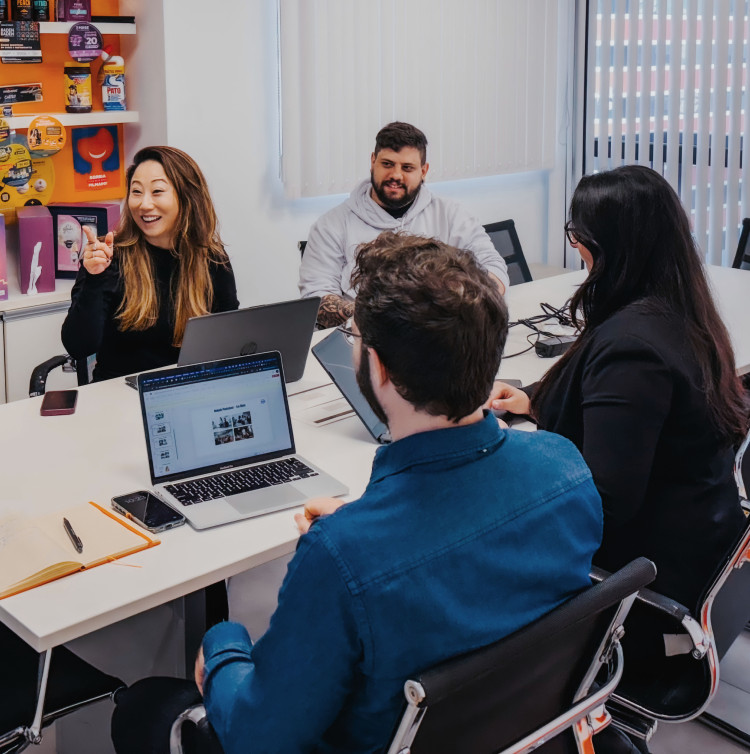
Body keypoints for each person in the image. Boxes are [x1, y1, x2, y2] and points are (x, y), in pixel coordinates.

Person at [111, 231, 602, 754]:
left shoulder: (341, 556)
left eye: (353, 335)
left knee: (145, 708)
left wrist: (224, 643)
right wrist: (362, 527)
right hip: (524, 734)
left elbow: (259, 738)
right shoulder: (565, 466)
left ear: (381, 368)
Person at [492, 165, 748, 615]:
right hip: (702, 545)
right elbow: (611, 396)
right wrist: (537, 399)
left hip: (648, 584)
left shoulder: (632, 349)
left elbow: (604, 505)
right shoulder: (678, 310)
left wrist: (506, 474)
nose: (575, 249)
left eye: (577, 235)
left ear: (608, 245)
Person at [299, 121, 510, 327]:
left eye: (407, 167)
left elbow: (492, 265)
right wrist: (387, 320)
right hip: (361, 341)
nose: (396, 175)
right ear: (373, 162)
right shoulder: (331, 225)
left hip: (440, 335)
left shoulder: (451, 214)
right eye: (387, 164)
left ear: (424, 171)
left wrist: (457, 308)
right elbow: (316, 299)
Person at [61, 145, 239, 381]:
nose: (144, 204)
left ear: (187, 197)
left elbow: (229, 336)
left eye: (156, 191)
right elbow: (78, 346)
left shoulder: (211, 257)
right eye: (136, 192)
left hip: (189, 389)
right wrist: (94, 278)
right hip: (120, 396)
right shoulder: (107, 256)